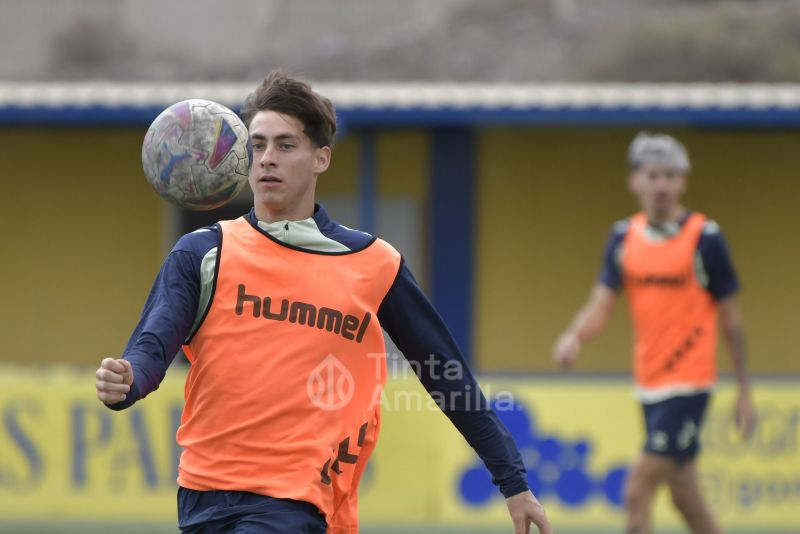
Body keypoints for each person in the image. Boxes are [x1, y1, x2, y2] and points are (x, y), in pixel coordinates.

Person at [95, 71, 552, 534]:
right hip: (202, 495)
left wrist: (512, 481)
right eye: (257, 145)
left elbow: (445, 371)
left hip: (298, 500)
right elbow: (152, 345)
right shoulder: (202, 252)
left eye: (286, 145)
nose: (267, 159)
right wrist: (127, 379)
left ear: (321, 158)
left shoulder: (373, 262)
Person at [552, 132, 755, 534]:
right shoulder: (623, 238)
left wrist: (744, 391)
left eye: (670, 175)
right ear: (635, 181)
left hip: (690, 383)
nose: (661, 184)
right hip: (649, 382)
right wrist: (574, 335)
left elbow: (732, 319)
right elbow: (601, 302)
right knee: (685, 497)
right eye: (652, 174)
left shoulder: (705, 238)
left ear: (682, 181)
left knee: (637, 488)